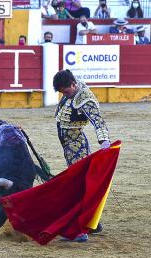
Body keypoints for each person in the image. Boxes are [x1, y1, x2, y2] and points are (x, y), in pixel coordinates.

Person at [53, 69, 110, 242]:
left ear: (73, 84)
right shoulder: (71, 89)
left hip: (75, 145)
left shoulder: (85, 98)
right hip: (69, 145)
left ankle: (79, 230)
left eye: (67, 91)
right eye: (62, 93)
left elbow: (98, 120)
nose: (65, 95)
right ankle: (93, 223)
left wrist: (104, 141)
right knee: (78, 184)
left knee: (77, 187)